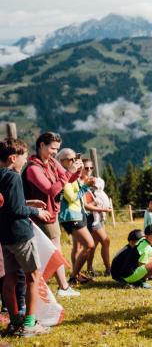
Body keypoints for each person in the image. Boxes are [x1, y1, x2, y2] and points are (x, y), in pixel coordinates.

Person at [0, 137, 52, 337]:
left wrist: (28, 203)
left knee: (10, 278)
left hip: (5, 236)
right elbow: (15, 209)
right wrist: (35, 212)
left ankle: (14, 321)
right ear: (13, 158)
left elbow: (7, 204)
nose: (25, 161)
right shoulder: (13, 176)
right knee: (32, 277)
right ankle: (29, 323)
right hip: (21, 234)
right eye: (23, 158)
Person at [22, 132, 80, 297]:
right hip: (41, 215)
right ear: (41, 145)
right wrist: (69, 173)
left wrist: (76, 171)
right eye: (53, 148)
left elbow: (67, 179)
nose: (55, 152)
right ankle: (59, 287)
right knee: (52, 250)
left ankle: (61, 286)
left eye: (57, 149)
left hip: (51, 213)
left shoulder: (52, 162)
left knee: (53, 250)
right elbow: (51, 189)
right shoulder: (33, 169)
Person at [57, 148, 96, 286]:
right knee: (89, 245)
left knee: (80, 246)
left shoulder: (72, 176)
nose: (74, 161)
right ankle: (73, 276)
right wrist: (86, 187)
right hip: (71, 216)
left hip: (78, 214)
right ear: (61, 161)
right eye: (70, 159)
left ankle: (76, 275)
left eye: (75, 158)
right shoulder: (63, 177)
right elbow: (72, 197)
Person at [80, 162, 113, 277]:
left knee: (94, 244)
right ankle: (108, 268)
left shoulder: (93, 181)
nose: (89, 169)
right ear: (81, 168)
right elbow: (86, 204)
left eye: (91, 167)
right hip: (91, 218)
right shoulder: (81, 183)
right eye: (86, 167)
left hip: (97, 217)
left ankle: (89, 268)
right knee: (105, 241)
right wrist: (102, 208)